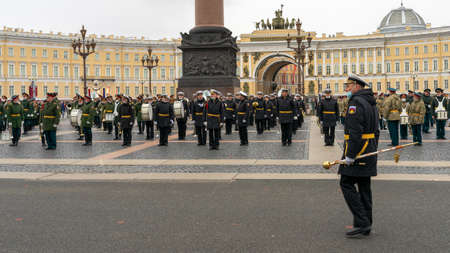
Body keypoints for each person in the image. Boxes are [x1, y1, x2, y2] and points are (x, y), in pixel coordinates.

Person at [339, 74, 379, 238]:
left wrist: (350, 155)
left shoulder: (356, 102)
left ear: (356, 86)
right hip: (368, 149)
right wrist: (373, 147)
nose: (347, 89)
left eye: (348, 86)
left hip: (359, 151)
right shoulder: (370, 102)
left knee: (346, 183)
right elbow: (376, 130)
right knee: (364, 186)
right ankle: (366, 222)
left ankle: (362, 221)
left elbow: (355, 132)